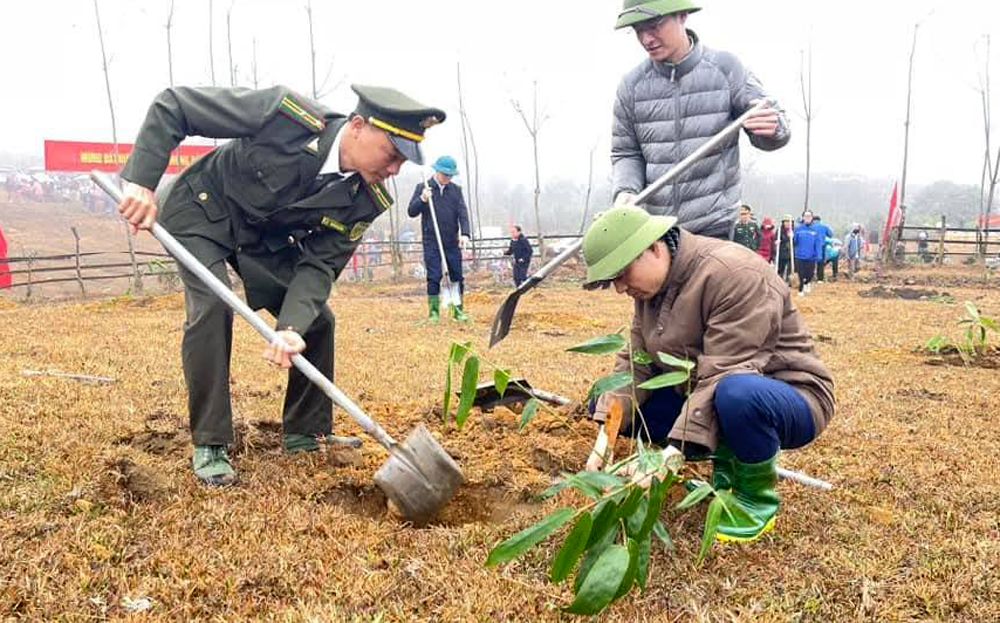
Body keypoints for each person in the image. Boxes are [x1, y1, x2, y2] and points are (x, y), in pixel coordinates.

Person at [116, 83, 445, 486]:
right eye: (392, 154)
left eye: (403, 162)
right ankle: (212, 441)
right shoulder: (287, 116)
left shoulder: (366, 199)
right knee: (214, 304)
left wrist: (290, 328)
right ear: (358, 126)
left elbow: (320, 266)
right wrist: (141, 182)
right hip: (203, 210)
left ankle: (306, 432)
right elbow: (175, 106)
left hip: (261, 243)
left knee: (316, 322)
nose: (395, 169)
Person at [581, 206, 834, 542]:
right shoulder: (651, 291)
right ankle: (723, 473)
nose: (619, 288)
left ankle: (754, 500)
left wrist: (669, 456)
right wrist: (606, 436)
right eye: (612, 280)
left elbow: (725, 370)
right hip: (705, 394)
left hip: (786, 395)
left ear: (655, 248)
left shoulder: (734, 274)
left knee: (736, 394)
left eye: (622, 274)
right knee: (605, 400)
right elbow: (635, 365)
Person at [611, 0, 790, 239]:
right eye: (637, 30)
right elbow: (626, 153)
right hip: (658, 231)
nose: (646, 39)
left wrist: (772, 129)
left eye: (654, 25)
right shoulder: (631, 87)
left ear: (682, 15)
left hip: (716, 227)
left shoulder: (726, 69)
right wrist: (625, 191)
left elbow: (774, 123)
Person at [407, 155, 471, 323]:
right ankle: (434, 312)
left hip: (451, 241)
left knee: (457, 276)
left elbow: (462, 214)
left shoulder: (456, 191)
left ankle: (457, 310)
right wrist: (422, 199)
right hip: (432, 241)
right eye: (445, 175)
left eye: (450, 176)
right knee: (434, 276)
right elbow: (411, 211)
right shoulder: (423, 187)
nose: (448, 178)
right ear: (437, 171)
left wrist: (465, 234)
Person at [793, 211, 821, 297]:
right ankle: (801, 289)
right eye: (806, 216)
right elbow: (795, 242)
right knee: (801, 273)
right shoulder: (798, 229)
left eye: (809, 216)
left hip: (811, 256)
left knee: (810, 274)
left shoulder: (815, 230)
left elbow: (818, 243)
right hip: (799, 255)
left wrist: (818, 255)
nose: (807, 218)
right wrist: (792, 237)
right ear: (803, 218)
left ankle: (807, 282)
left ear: (812, 218)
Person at [812, 215, 833, 283]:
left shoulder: (809, 226)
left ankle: (810, 278)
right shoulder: (824, 226)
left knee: (811, 262)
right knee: (820, 263)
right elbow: (830, 234)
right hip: (821, 246)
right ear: (819, 220)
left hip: (811, 246)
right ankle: (820, 279)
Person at [776, 214, 794, 283]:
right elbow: (776, 239)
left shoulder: (794, 230)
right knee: (780, 268)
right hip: (782, 253)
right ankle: (779, 281)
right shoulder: (780, 230)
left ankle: (789, 281)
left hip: (791, 253)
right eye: (785, 222)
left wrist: (792, 237)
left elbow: (796, 242)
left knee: (790, 269)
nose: (787, 224)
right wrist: (777, 242)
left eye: (789, 222)